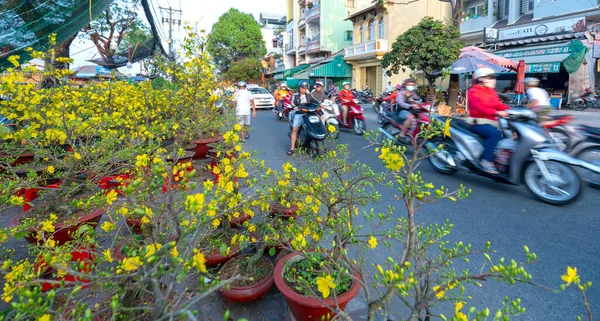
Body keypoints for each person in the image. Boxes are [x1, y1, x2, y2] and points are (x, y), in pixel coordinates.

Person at [468, 67, 510, 174]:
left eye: (493, 78)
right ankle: (486, 161)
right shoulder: (474, 91)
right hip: (477, 122)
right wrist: (496, 112)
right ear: (481, 79)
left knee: (507, 135)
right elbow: (479, 108)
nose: (493, 80)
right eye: (490, 78)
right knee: (495, 134)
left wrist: (512, 111)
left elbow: (498, 104)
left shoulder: (491, 91)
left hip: (492, 121)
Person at [288, 81, 319, 155]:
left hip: (309, 113)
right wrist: (295, 107)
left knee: (317, 123)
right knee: (295, 129)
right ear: (299, 88)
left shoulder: (309, 95)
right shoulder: (295, 95)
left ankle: (322, 145)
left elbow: (315, 101)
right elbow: (292, 103)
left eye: (305, 88)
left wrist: (320, 104)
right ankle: (292, 148)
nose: (304, 89)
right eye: (302, 88)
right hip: (299, 113)